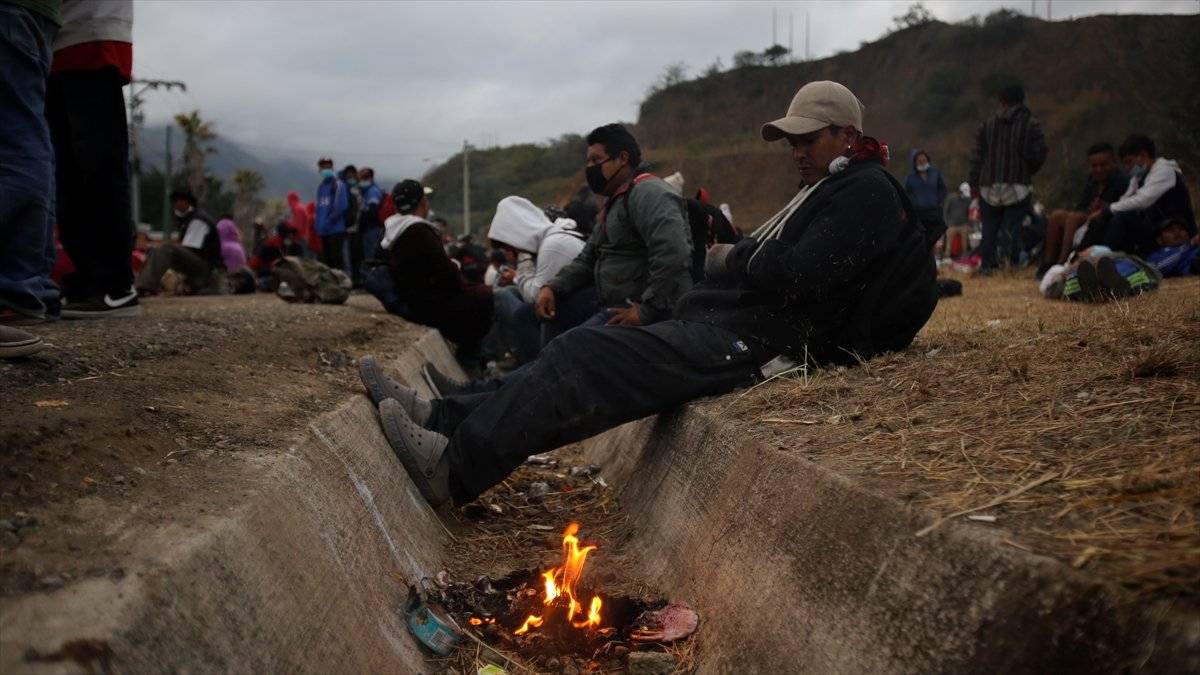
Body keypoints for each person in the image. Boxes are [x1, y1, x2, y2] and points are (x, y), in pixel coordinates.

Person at [361, 80, 942, 508]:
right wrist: (743, 260)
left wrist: (733, 258)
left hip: (763, 344)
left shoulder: (864, 192)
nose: (796, 151)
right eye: (791, 141)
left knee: (580, 356)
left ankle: (453, 472)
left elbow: (792, 274)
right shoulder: (831, 187)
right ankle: (444, 417)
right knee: (575, 350)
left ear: (848, 135)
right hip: (733, 324)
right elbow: (764, 265)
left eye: (807, 139)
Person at [536, 123, 693, 330]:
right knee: (537, 317)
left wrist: (646, 310)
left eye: (596, 160)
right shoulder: (615, 202)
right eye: (588, 161)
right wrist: (552, 287)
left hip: (642, 308)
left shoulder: (648, 193)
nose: (590, 168)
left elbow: (673, 253)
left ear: (622, 159)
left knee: (567, 348)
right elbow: (587, 259)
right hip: (609, 301)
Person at [48, 0, 138, 318]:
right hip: (58, 38)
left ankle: (115, 284)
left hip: (92, 32)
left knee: (100, 166)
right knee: (68, 173)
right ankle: (87, 279)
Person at [379, 179, 493, 366]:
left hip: (416, 298)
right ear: (422, 202)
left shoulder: (392, 231)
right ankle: (473, 360)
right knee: (485, 297)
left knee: (479, 293)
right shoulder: (418, 231)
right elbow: (448, 276)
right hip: (429, 304)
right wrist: (457, 268)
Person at [0, 0, 61, 326]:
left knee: (14, 139)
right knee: (27, 133)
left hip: (13, 7)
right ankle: (32, 284)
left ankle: (14, 286)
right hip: (35, 10)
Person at [968, 83, 1048, 273]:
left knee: (989, 228)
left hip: (988, 185)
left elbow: (977, 157)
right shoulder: (1031, 124)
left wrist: (973, 182)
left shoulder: (987, 125)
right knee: (1011, 228)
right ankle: (1007, 266)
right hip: (1017, 185)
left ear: (1002, 102)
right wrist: (1027, 169)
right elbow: (1040, 153)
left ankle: (987, 266)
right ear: (1021, 100)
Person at [1039, 142, 1129, 275]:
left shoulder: (1122, 181)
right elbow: (1081, 206)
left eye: (1103, 165)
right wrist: (1090, 209)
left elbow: (1123, 206)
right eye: (1094, 166)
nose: (1098, 169)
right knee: (1057, 216)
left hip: (1106, 220)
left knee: (1073, 218)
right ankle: (1048, 264)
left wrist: (1104, 207)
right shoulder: (1092, 181)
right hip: (1089, 217)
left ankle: (1063, 262)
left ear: (1113, 163)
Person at [1098, 135, 1196, 256]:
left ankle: (1100, 258)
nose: (1127, 168)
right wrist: (1106, 211)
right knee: (1109, 218)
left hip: (1176, 232)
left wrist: (1109, 209)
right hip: (1160, 232)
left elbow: (1143, 200)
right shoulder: (1139, 178)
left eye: (1129, 162)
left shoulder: (1164, 171)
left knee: (1123, 218)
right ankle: (1091, 257)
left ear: (1143, 156)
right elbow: (1125, 201)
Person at [135, 189, 224, 296]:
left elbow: (190, 247)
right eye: (175, 201)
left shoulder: (198, 220)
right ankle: (144, 285)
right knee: (157, 250)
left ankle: (145, 286)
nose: (176, 204)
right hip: (199, 265)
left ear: (188, 202)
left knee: (167, 249)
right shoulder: (187, 219)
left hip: (207, 268)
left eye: (180, 200)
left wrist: (164, 246)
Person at [313, 157, 348, 274]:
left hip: (336, 229)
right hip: (323, 231)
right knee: (326, 262)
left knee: (336, 260)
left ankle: (341, 285)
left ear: (332, 168)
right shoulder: (321, 187)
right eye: (322, 167)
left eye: (327, 166)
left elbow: (340, 207)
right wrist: (318, 226)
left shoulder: (338, 185)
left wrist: (328, 222)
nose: (325, 169)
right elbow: (319, 209)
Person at [905, 149, 948, 241]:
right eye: (919, 161)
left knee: (935, 237)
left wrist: (938, 201)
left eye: (924, 160)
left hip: (934, 211)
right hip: (919, 213)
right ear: (915, 163)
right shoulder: (910, 178)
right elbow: (906, 194)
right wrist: (914, 204)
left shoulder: (935, 174)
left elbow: (943, 189)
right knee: (922, 239)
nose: (922, 163)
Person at [340, 164, 363, 284]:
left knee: (357, 256)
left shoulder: (360, 190)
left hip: (359, 229)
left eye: (353, 175)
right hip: (348, 229)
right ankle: (352, 281)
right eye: (348, 175)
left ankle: (358, 280)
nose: (351, 177)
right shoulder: (344, 189)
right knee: (349, 256)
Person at [357, 167, 386, 264]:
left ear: (371, 178)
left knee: (371, 257)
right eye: (361, 177)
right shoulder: (365, 192)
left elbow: (372, 211)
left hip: (372, 229)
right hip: (369, 229)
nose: (363, 180)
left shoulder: (372, 191)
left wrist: (362, 224)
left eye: (366, 177)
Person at [941, 182, 973, 259]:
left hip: (964, 225)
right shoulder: (951, 198)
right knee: (949, 245)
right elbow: (945, 210)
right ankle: (947, 258)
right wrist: (946, 222)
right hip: (952, 225)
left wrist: (969, 223)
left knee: (964, 244)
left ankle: (965, 258)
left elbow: (970, 211)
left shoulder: (968, 199)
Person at [285, 190, 311, 257]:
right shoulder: (300, 207)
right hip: (303, 237)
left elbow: (298, 226)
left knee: (302, 261)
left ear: (290, 199)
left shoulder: (297, 209)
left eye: (288, 200)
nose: (288, 202)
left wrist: (288, 226)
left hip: (300, 239)